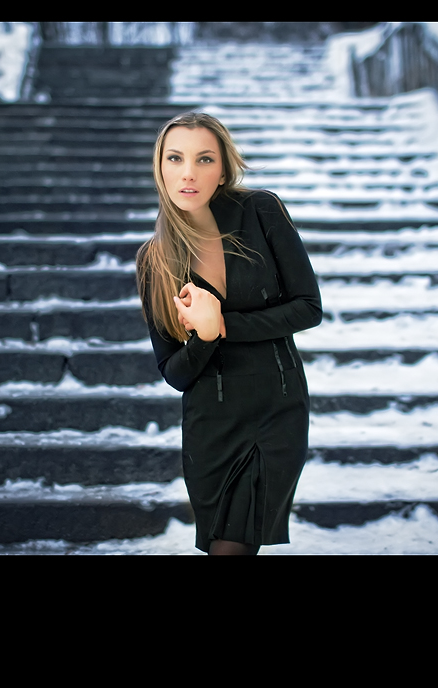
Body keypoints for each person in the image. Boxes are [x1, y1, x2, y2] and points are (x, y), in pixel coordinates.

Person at [136, 112, 322, 555]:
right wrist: (202, 339)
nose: (188, 173)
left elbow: (308, 308)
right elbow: (175, 373)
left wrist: (221, 325)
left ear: (222, 170)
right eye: (175, 158)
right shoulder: (154, 260)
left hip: (276, 407)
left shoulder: (261, 211)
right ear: (160, 167)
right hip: (211, 428)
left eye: (204, 159)